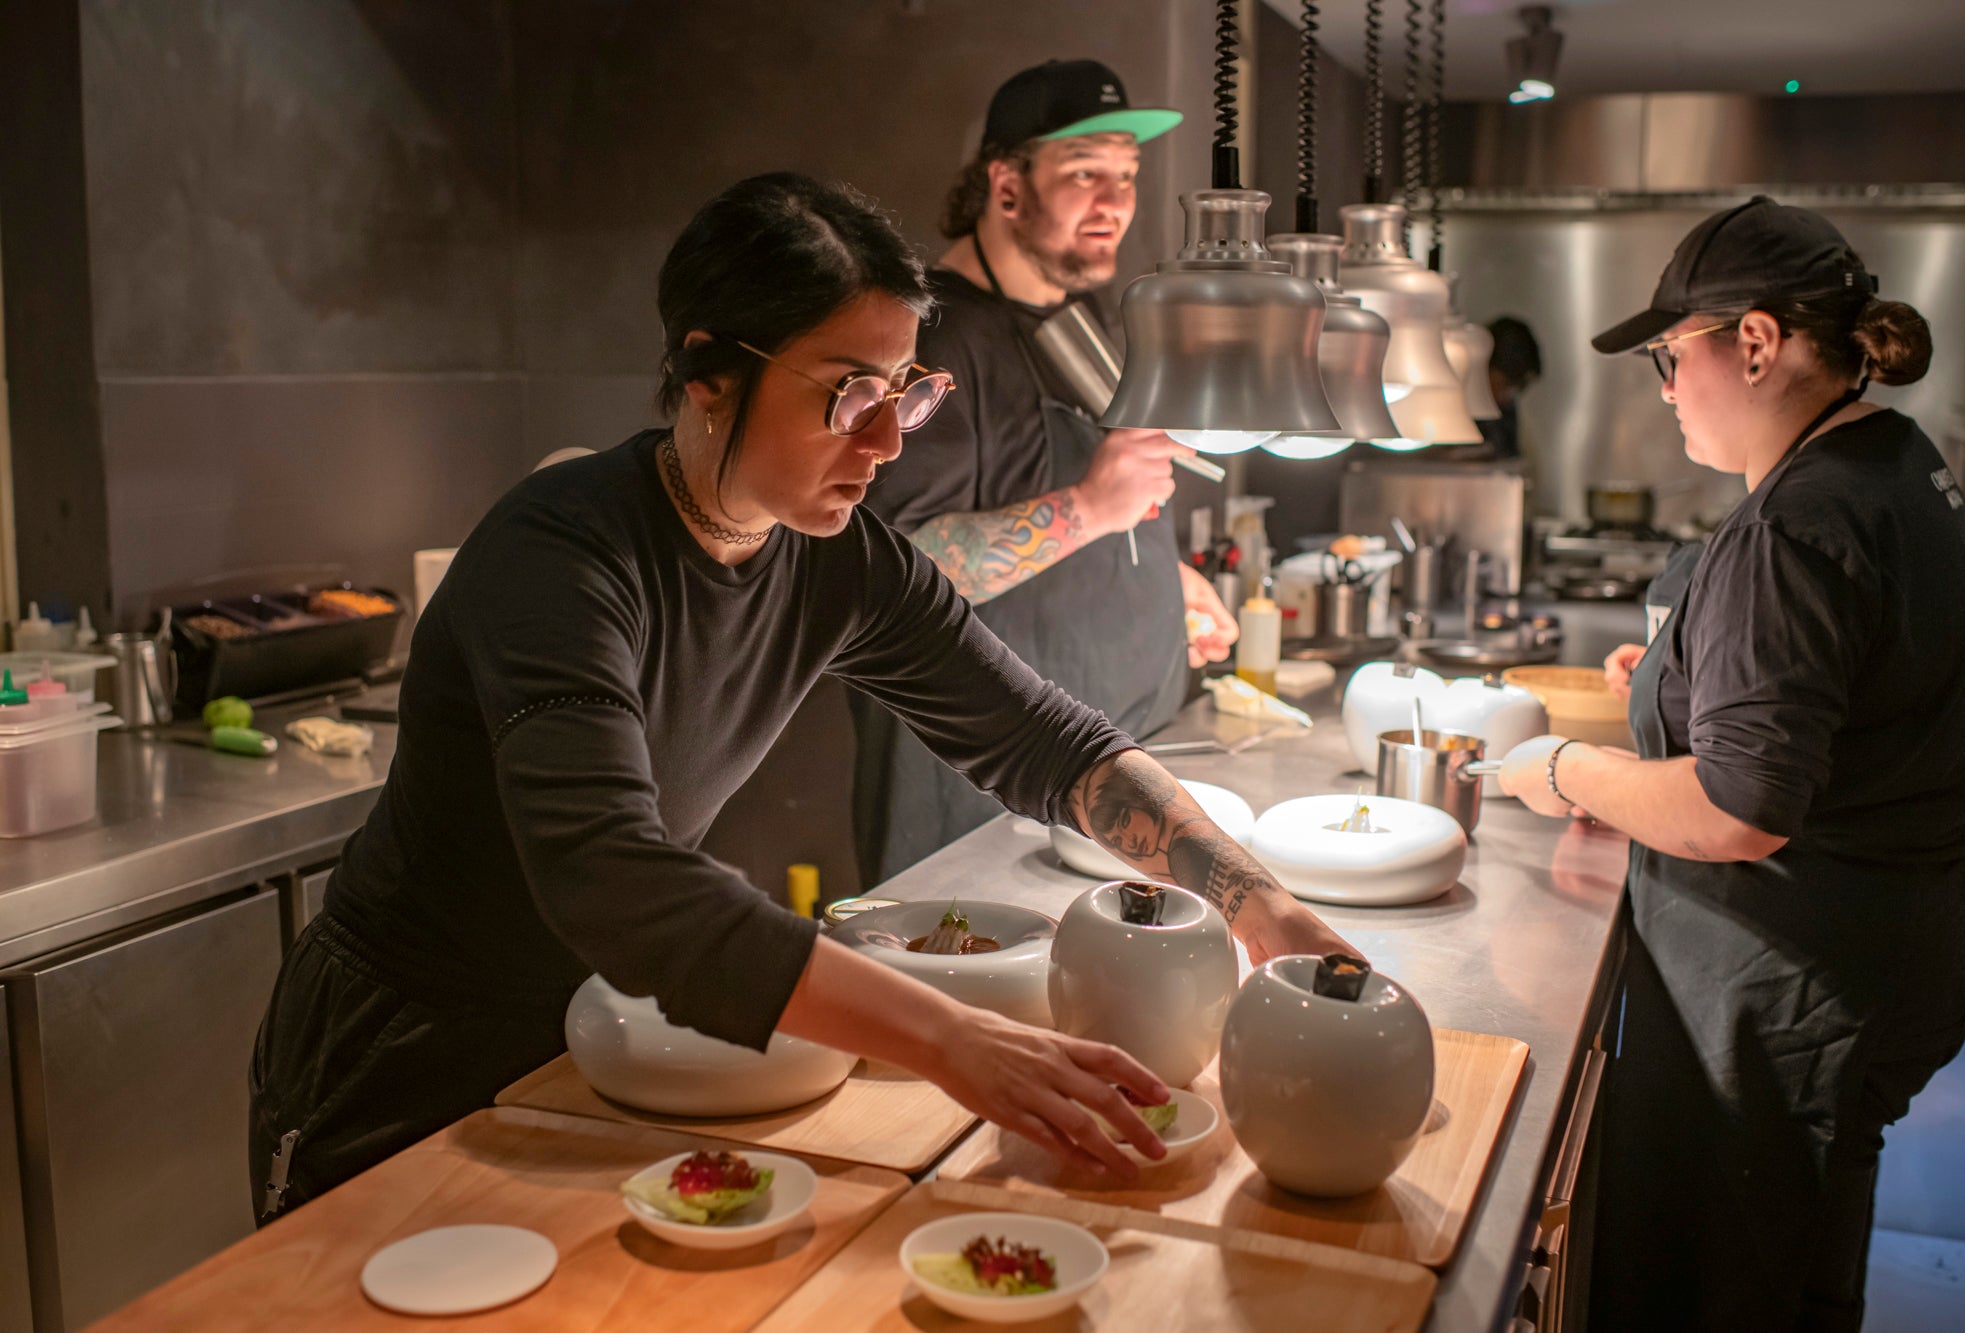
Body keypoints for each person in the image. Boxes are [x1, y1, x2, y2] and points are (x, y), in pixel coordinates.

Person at [247, 172, 1349, 1221]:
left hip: (593, 1034)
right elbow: (611, 874)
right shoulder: (564, 554)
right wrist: (953, 1039)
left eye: (904, 395)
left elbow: (1047, 744)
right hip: (407, 1051)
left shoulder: (832, 560)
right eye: (848, 394)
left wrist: (1263, 907)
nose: (881, 444)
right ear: (705, 373)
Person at [1499, 197, 1965, 1331]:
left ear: (1757, 344)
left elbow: (1738, 806)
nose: (1666, 388)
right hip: (1881, 953)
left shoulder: (1796, 521)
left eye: (1672, 358)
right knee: (1800, 1275)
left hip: (1779, 996)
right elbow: (1875, 692)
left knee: (1718, 1290)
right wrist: (1684, 671)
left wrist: (1566, 769)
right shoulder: (1897, 465)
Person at [851, 59, 1238, 885]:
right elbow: (898, 570)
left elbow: (1072, 502)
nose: (1116, 202)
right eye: (1084, 172)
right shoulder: (932, 337)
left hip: (1112, 772)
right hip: (988, 803)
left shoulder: (1077, 309)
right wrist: (1095, 508)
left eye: (1127, 177)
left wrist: (1167, 583)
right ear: (1007, 182)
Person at [1479, 315, 1540, 460]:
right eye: (1503, 383)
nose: (1507, 395)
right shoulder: (1452, 411)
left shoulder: (1507, 414)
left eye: (1518, 387)